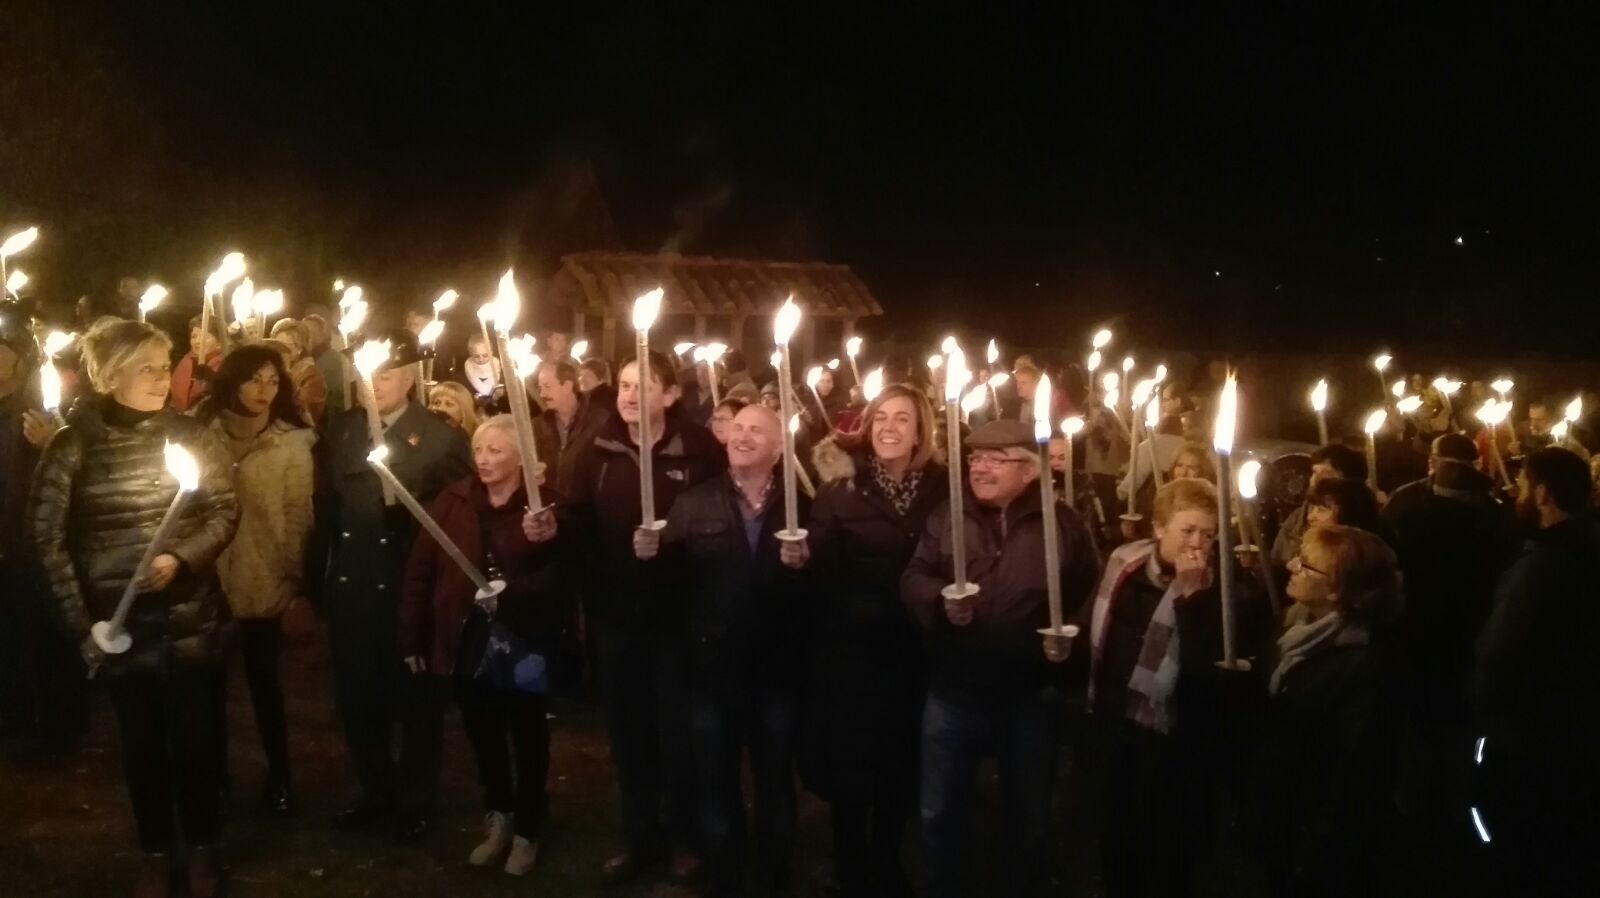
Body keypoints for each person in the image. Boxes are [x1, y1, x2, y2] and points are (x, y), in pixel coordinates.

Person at [28, 319, 239, 898]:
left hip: (190, 620)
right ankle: (156, 851)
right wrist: (85, 627)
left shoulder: (189, 434)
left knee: (199, 743)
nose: (161, 378)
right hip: (119, 628)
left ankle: (203, 847)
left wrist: (180, 558)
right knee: (142, 749)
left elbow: (224, 508)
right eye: (146, 368)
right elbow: (47, 540)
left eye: (164, 366)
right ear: (109, 374)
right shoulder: (73, 445)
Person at [901, 419, 1098, 898]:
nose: (979, 467)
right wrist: (940, 600)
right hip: (955, 690)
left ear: (1028, 471)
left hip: (1028, 694)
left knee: (1028, 812)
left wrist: (1070, 640)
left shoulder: (1063, 523)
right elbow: (914, 576)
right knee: (940, 810)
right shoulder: (949, 515)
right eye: (975, 458)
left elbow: (1089, 594)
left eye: (995, 459)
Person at [631, 404, 807, 897]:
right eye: (738, 428)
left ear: (779, 447)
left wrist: (807, 566)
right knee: (715, 780)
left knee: (775, 780)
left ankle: (774, 877)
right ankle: (725, 875)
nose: (743, 436)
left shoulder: (802, 504)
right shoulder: (695, 502)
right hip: (714, 670)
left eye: (757, 430)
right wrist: (650, 558)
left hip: (777, 669)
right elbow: (668, 590)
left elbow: (820, 591)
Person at [564, 350, 724, 885]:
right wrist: (554, 529)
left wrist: (673, 544)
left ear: (670, 395)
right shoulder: (597, 449)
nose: (629, 395)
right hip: (618, 617)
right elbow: (578, 520)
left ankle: (684, 838)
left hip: (678, 618)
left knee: (677, 734)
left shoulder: (698, 450)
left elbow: (717, 520)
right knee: (629, 734)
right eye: (625, 385)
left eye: (643, 385)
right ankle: (639, 837)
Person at [1080, 477, 1268, 898]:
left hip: (1177, 744)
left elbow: (1210, 669)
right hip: (1116, 730)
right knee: (1118, 841)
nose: (1197, 544)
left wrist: (1192, 599)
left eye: (1208, 534)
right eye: (1187, 530)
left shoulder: (1227, 589)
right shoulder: (1123, 567)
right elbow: (1092, 628)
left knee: (1171, 853)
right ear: (1159, 528)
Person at [318, 330, 472, 839]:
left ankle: (415, 799)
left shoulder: (440, 437)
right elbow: (326, 508)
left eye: (385, 375)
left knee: (416, 701)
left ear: (408, 379)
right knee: (358, 698)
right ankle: (374, 790)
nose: (374, 384)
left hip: (409, 585)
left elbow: (458, 514)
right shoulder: (343, 430)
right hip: (355, 582)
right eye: (368, 374)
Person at [799, 384, 948, 898]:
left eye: (902, 418)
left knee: (901, 757)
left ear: (920, 431)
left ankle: (885, 855)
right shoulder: (841, 488)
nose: (889, 427)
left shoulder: (944, 490)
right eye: (880, 417)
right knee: (852, 757)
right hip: (853, 650)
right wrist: (804, 561)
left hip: (915, 648)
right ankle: (849, 859)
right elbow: (819, 570)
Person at [398, 416, 562, 877]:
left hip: (523, 636)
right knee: (483, 732)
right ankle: (499, 814)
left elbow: (558, 572)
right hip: (469, 635)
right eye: (478, 450)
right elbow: (422, 569)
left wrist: (511, 593)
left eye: (495, 451)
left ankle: (529, 825)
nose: (483, 459)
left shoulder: (542, 506)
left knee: (527, 733)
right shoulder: (454, 501)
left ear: (521, 457)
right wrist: (413, 633)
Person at [193, 345, 316, 816]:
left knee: (264, 683)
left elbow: (298, 515)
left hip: (263, 576)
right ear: (233, 382)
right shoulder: (202, 435)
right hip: (209, 576)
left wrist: (294, 578)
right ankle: (215, 777)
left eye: (272, 381)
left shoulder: (291, 443)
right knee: (209, 688)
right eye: (253, 379)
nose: (264, 390)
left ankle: (279, 775)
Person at [1473, 448, 1600, 897]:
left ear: (1543, 493)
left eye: (1524, 485)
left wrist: (1483, 712)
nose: (1517, 494)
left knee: (1525, 842)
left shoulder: (1541, 568)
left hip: (1533, 735)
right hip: (1579, 729)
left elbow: (1500, 654)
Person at [1256, 524, 1402, 897]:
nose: (1292, 566)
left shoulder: (1362, 664)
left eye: (1306, 565)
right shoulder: (1294, 627)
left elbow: (1355, 769)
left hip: (1317, 836)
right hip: (1284, 812)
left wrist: (1316, 848)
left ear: (1338, 590)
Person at [1270, 443, 1368, 569]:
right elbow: (1276, 562)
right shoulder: (1296, 518)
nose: (1316, 480)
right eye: (1315, 472)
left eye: (1328, 473)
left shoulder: (1362, 529)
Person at [534, 358, 608, 496]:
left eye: (547, 387)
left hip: (588, 506)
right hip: (550, 504)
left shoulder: (600, 421)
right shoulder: (538, 425)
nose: (542, 394)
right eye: (540, 388)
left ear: (567, 386)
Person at [269, 318, 329, 425]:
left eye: (284, 346)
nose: (278, 350)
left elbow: (302, 415)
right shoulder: (274, 372)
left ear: (299, 349)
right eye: (275, 345)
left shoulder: (312, 379)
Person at [169, 314, 221, 413]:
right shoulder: (186, 363)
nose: (197, 341)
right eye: (194, 336)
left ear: (219, 342)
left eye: (205, 336)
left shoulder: (225, 365)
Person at [1304, 476, 1385, 537]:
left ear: (1348, 514)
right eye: (1312, 509)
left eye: (1321, 510)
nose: (1310, 517)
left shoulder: (1367, 553)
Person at [304, 313, 347, 418]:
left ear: (322, 335)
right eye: (303, 332)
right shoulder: (306, 358)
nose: (307, 337)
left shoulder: (334, 360)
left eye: (311, 332)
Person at [460, 334, 504, 412]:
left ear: (491, 352)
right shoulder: (468, 365)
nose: (481, 359)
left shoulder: (497, 363)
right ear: (470, 353)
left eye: (485, 355)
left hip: (500, 403)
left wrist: (501, 393)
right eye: (476, 356)